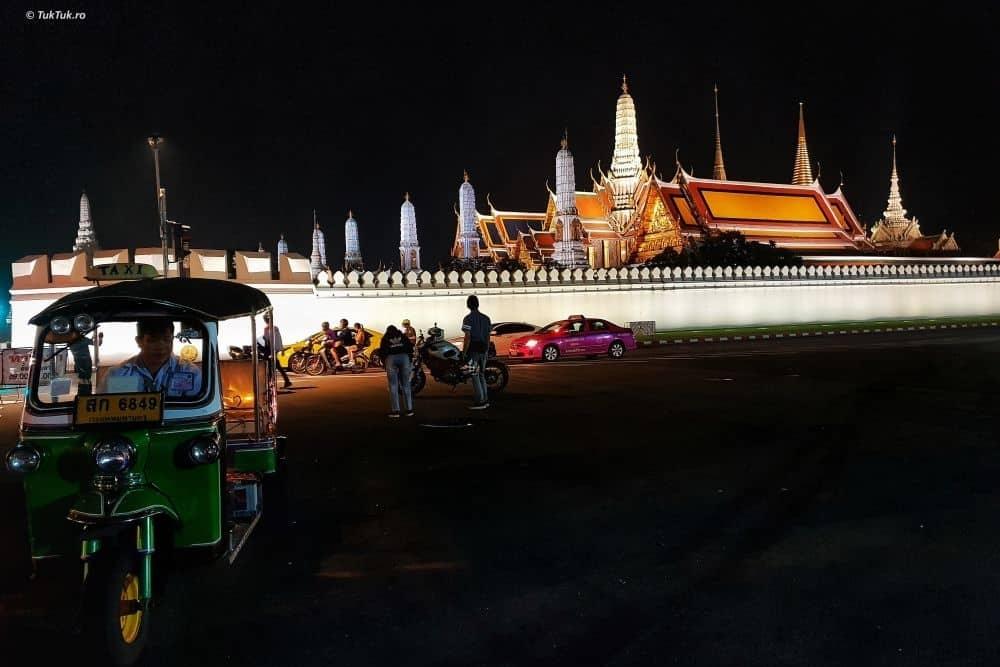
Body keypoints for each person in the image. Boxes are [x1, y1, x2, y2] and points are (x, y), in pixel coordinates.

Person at [102, 317, 202, 398]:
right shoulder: (118, 374)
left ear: (172, 338)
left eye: (166, 339)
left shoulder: (190, 372)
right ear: (139, 341)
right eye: (152, 340)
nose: (160, 346)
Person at [461, 294, 491, 409]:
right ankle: (485, 399)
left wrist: (464, 352)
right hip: (483, 349)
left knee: (474, 374)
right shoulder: (486, 318)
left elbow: (467, 337)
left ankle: (480, 401)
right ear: (478, 304)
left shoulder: (468, 319)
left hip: (473, 349)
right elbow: (488, 336)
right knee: (482, 374)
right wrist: (487, 350)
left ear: (468, 305)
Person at [378, 324, 414, 418]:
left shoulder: (385, 338)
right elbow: (410, 347)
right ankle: (409, 410)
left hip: (391, 358)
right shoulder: (402, 336)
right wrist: (409, 359)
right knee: (406, 384)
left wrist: (384, 363)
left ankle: (396, 411)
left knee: (393, 385)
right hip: (404, 357)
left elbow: (382, 351)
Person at [260, 313, 292, 389]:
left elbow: (266, 340)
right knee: (277, 366)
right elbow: (279, 339)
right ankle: (286, 381)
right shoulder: (275, 328)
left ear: (265, 320)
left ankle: (270, 384)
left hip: (270, 350)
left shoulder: (267, 328)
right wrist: (280, 349)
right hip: (275, 349)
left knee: (270, 367)